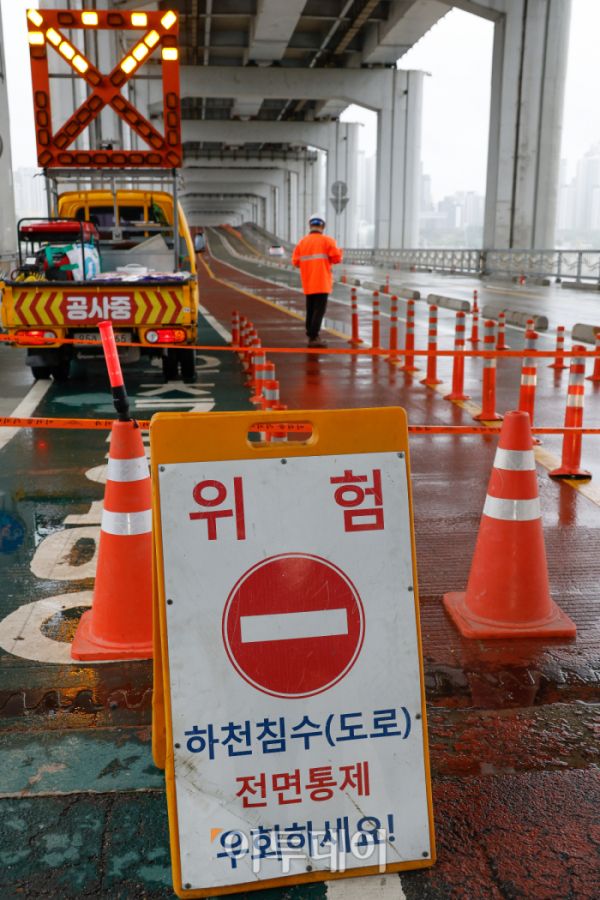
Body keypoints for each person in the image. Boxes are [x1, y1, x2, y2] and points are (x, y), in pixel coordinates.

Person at [292, 214, 343, 348]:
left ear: (310, 226)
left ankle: (311, 335)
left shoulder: (302, 242)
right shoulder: (328, 241)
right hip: (322, 281)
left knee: (310, 309)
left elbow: (295, 262)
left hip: (308, 281)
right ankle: (313, 337)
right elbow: (337, 259)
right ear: (323, 226)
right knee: (319, 310)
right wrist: (339, 250)